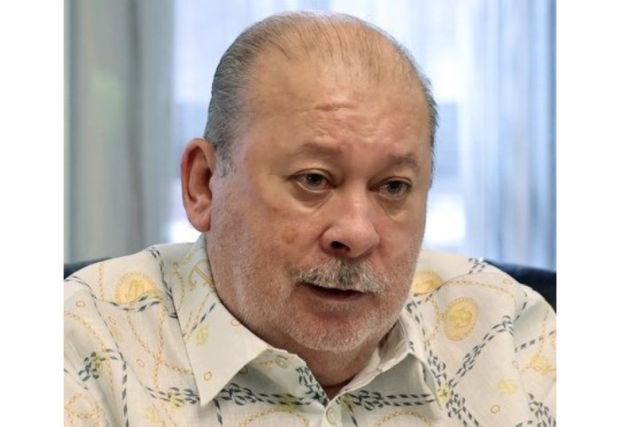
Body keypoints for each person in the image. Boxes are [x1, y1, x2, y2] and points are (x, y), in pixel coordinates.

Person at [64, 11, 555, 426]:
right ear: (204, 184)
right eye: (314, 180)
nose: (356, 232)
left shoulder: (506, 329)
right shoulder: (81, 346)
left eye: (393, 187)